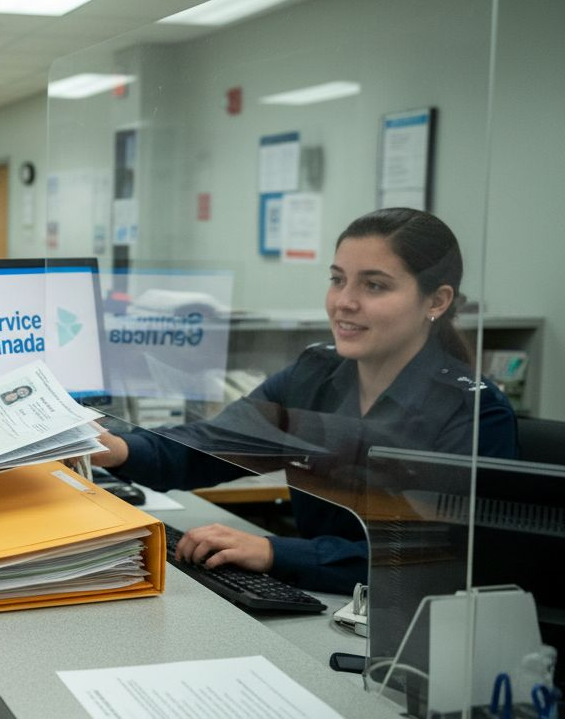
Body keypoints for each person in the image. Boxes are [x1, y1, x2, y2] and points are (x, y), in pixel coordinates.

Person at [94, 208, 518, 593]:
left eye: (374, 285)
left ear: (437, 301)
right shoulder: (315, 375)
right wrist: (118, 448)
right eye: (338, 280)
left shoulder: (473, 413)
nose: (344, 302)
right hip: (330, 600)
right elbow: (209, 446)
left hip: (408, 622)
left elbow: (439, 558)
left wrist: (274, 552)